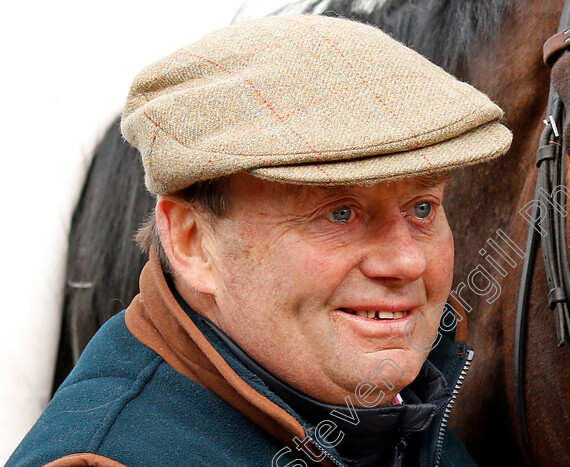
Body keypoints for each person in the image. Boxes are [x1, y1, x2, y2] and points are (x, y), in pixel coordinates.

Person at [7, 14, 511, 467]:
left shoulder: (402, 416)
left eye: (422, 208)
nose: (406, 261)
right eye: (339, 213)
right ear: (192, 243)